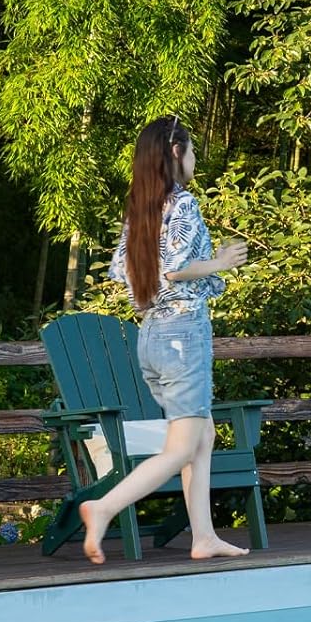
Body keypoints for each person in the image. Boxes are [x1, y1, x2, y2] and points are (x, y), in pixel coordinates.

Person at [80, 115, 251, 564]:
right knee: (181, 448)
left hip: (153, 336)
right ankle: (103, 508)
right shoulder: (183, 203)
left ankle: (203, 537)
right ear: (176, 151)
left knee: (202, 435)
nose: (194, 160)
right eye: (192, 151)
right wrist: (221, 262)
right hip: (182, 334)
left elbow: (124, 272)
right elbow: (174, 269)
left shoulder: (139, 208)